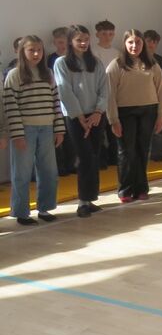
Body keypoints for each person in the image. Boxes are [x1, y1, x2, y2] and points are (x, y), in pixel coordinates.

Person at [4, 35, 65, 225]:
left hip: (47, 128)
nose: (36, 53)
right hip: (25, 129)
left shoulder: (48, 73)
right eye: (32, 50)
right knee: (21, 173)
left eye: (39, 50)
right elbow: (10, 106)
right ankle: (21, 212)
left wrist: (59, 129)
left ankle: (45, 208)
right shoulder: (15, 75)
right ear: (22, 52)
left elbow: (56, 102)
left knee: (49, 171)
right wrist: (17, 134)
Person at [54, 25, 110, 217]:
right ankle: (82, 202)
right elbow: (65, 91)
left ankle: (90, 198)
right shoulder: (62, 63)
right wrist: (80, 117)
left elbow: (104, 89)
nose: (83, 43)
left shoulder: (96, 62)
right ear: (70, 41)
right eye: (79, 40)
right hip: (75, 117)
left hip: (96, 116)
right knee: (84, 157)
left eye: (86, 39)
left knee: (94, 156)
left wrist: (98, 112)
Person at [107, 30, 162, 203]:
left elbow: (161, 91)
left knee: (142, 150)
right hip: (125, 113)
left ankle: (141, 188)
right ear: (125, 43)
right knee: (126, 151)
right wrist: (113, 120)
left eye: (138, 42)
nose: (134, 46)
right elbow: (109, 95)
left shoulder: (152, 64)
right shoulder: (116, 65)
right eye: (131, 42)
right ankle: (125, 189)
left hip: (149, 111)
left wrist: (160, 116)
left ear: (143, 44)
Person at [48, 26, 76, 175]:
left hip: (72, 101)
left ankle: (71, 164)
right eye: (59, 42)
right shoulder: (51, 59)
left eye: (64, 42)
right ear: (54, 42)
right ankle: (60, 166)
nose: (62, 45)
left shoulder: (74, 58)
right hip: (57, 101)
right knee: (59, 134)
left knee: (71, 135)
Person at [144, 30, 162, 162]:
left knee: (158, 127)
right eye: (148, 41)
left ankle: (156, 153)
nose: (151, 44)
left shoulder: (161, 61)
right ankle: (143, 154)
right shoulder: (137, 60)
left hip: (157, 100)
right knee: (142, 128)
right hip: (141, 100)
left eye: (154, 42)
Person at [93, 20, 119, 166]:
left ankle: (114, 157)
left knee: (113, 126)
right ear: (97, 34)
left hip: (114, 95)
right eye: (104, 34)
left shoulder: (117, 53)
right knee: (99, 129)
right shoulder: (92, 52)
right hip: (98, 95)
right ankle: (101, 158)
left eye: (110, 34)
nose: (107, 37)